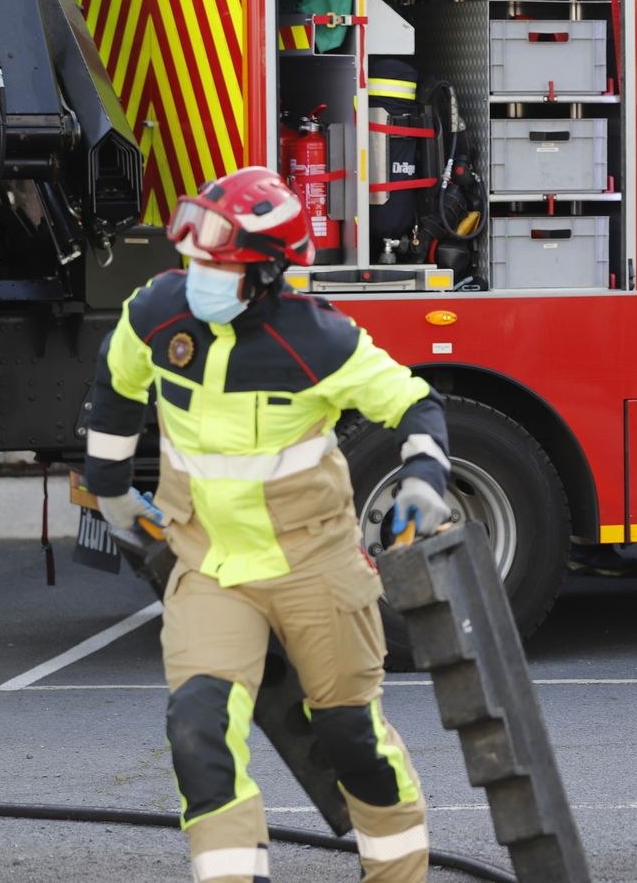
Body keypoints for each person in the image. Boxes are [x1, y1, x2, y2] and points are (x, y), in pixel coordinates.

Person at [84, 167, 447, 883]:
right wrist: (110, 489)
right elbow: (116, 384)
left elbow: (415, 404)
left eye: (219, 268)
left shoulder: (320, 340)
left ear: (265, 274)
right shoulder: (156, 312)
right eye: (195, 262)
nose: (200, 279)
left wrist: (425, 477)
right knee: (199, 734)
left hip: (315, 565)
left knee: (350, 737)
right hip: (209, 566)